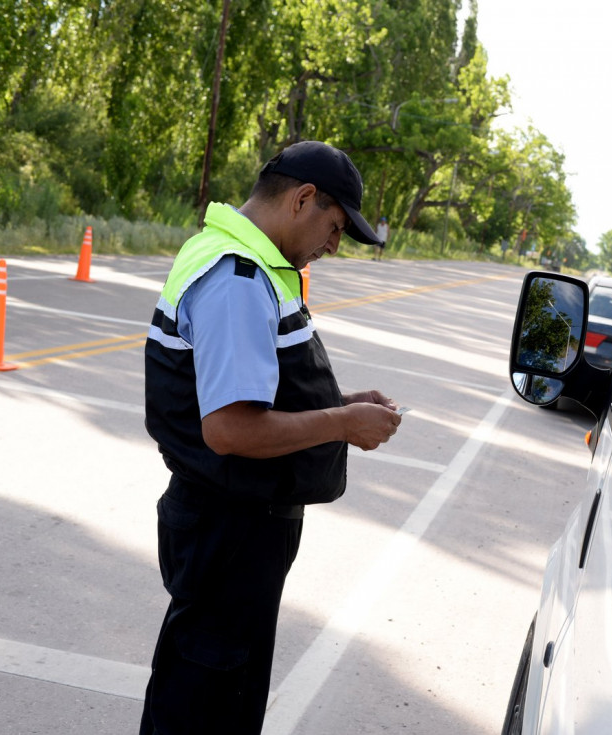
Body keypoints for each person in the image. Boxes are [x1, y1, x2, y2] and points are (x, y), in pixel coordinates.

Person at [140, 140, 401, 734]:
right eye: (335, 227)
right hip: (227, 528)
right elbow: (230, 428)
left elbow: (260, 391)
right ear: (302, 199)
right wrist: (340, 424)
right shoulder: (237, 277)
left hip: (237, 527)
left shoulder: (253, 266)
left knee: (218, 697)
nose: (334, 245)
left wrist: (338, 402)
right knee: (203, 706)